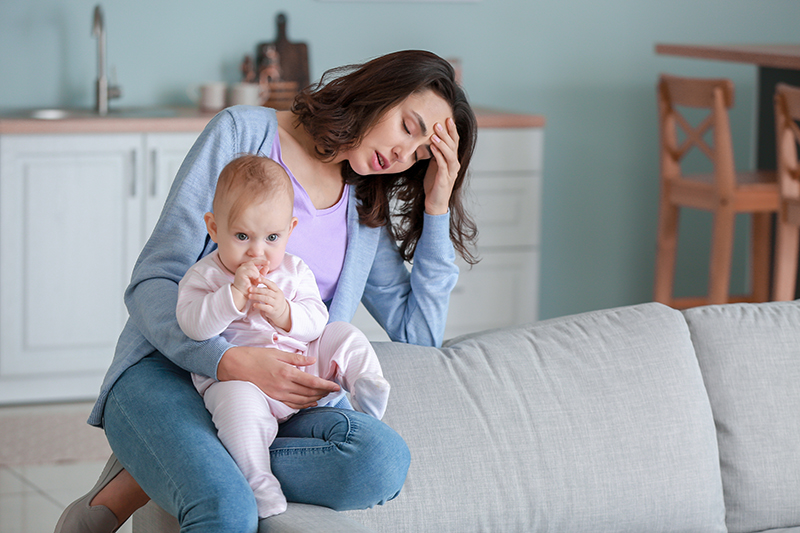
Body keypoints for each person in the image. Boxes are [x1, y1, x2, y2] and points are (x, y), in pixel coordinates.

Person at [54, 49, 477, 533]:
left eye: (422, 153)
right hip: (171, 370)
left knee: (378, 462)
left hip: (279, 402)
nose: (405, 155)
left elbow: (418, 335)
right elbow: (154, 280)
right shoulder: (242, 133)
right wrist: (226, 361)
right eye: (408, 126)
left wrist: (438, 205)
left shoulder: (363, 203)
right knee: (228, 507)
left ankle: (163, 471)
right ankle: (175, 473)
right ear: (379, 93)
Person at [177, 154, 391, 518]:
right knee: (235, 405)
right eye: (242, 236)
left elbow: (316, 321)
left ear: (290, 230)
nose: (257, 252)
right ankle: (258, 479)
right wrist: (231, 299)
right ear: (213, 229)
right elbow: (193, 326)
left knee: (343, 334)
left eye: (272, 237)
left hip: (301, 365)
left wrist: (285, 313)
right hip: (243, 383)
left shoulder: (294, 270)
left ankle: (366, 384)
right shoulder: (206, 277)